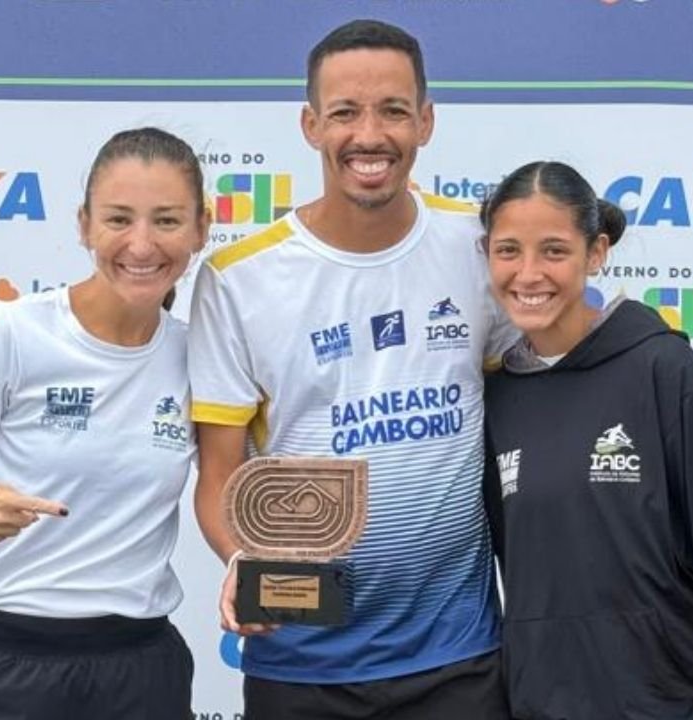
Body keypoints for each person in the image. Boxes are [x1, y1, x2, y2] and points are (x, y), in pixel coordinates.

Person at [187, 19, 517, 720]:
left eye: (393, 110)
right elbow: (218, 474)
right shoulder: (237, 280)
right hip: (302, 662)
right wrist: (238, 558)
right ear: (310, 125)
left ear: (426, 121)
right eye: (345, 112)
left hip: (457, 660)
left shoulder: (481, 245)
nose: (370, 135)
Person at [0, 127, 206, 719]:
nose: (141, 245)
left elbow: (234, 489)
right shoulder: (12, 333)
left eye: (166, 220)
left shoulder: (200, 357)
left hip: (139, 669)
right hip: (1, 664)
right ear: (84, 225)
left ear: (200, 229)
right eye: (118, 220)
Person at [480, 160, 693, 720]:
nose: (528, 274)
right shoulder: (498, 397)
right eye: (508, 251)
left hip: (672, 704)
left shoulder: (665, 371)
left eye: (554, 250)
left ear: (595, 253)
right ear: (486, 256)